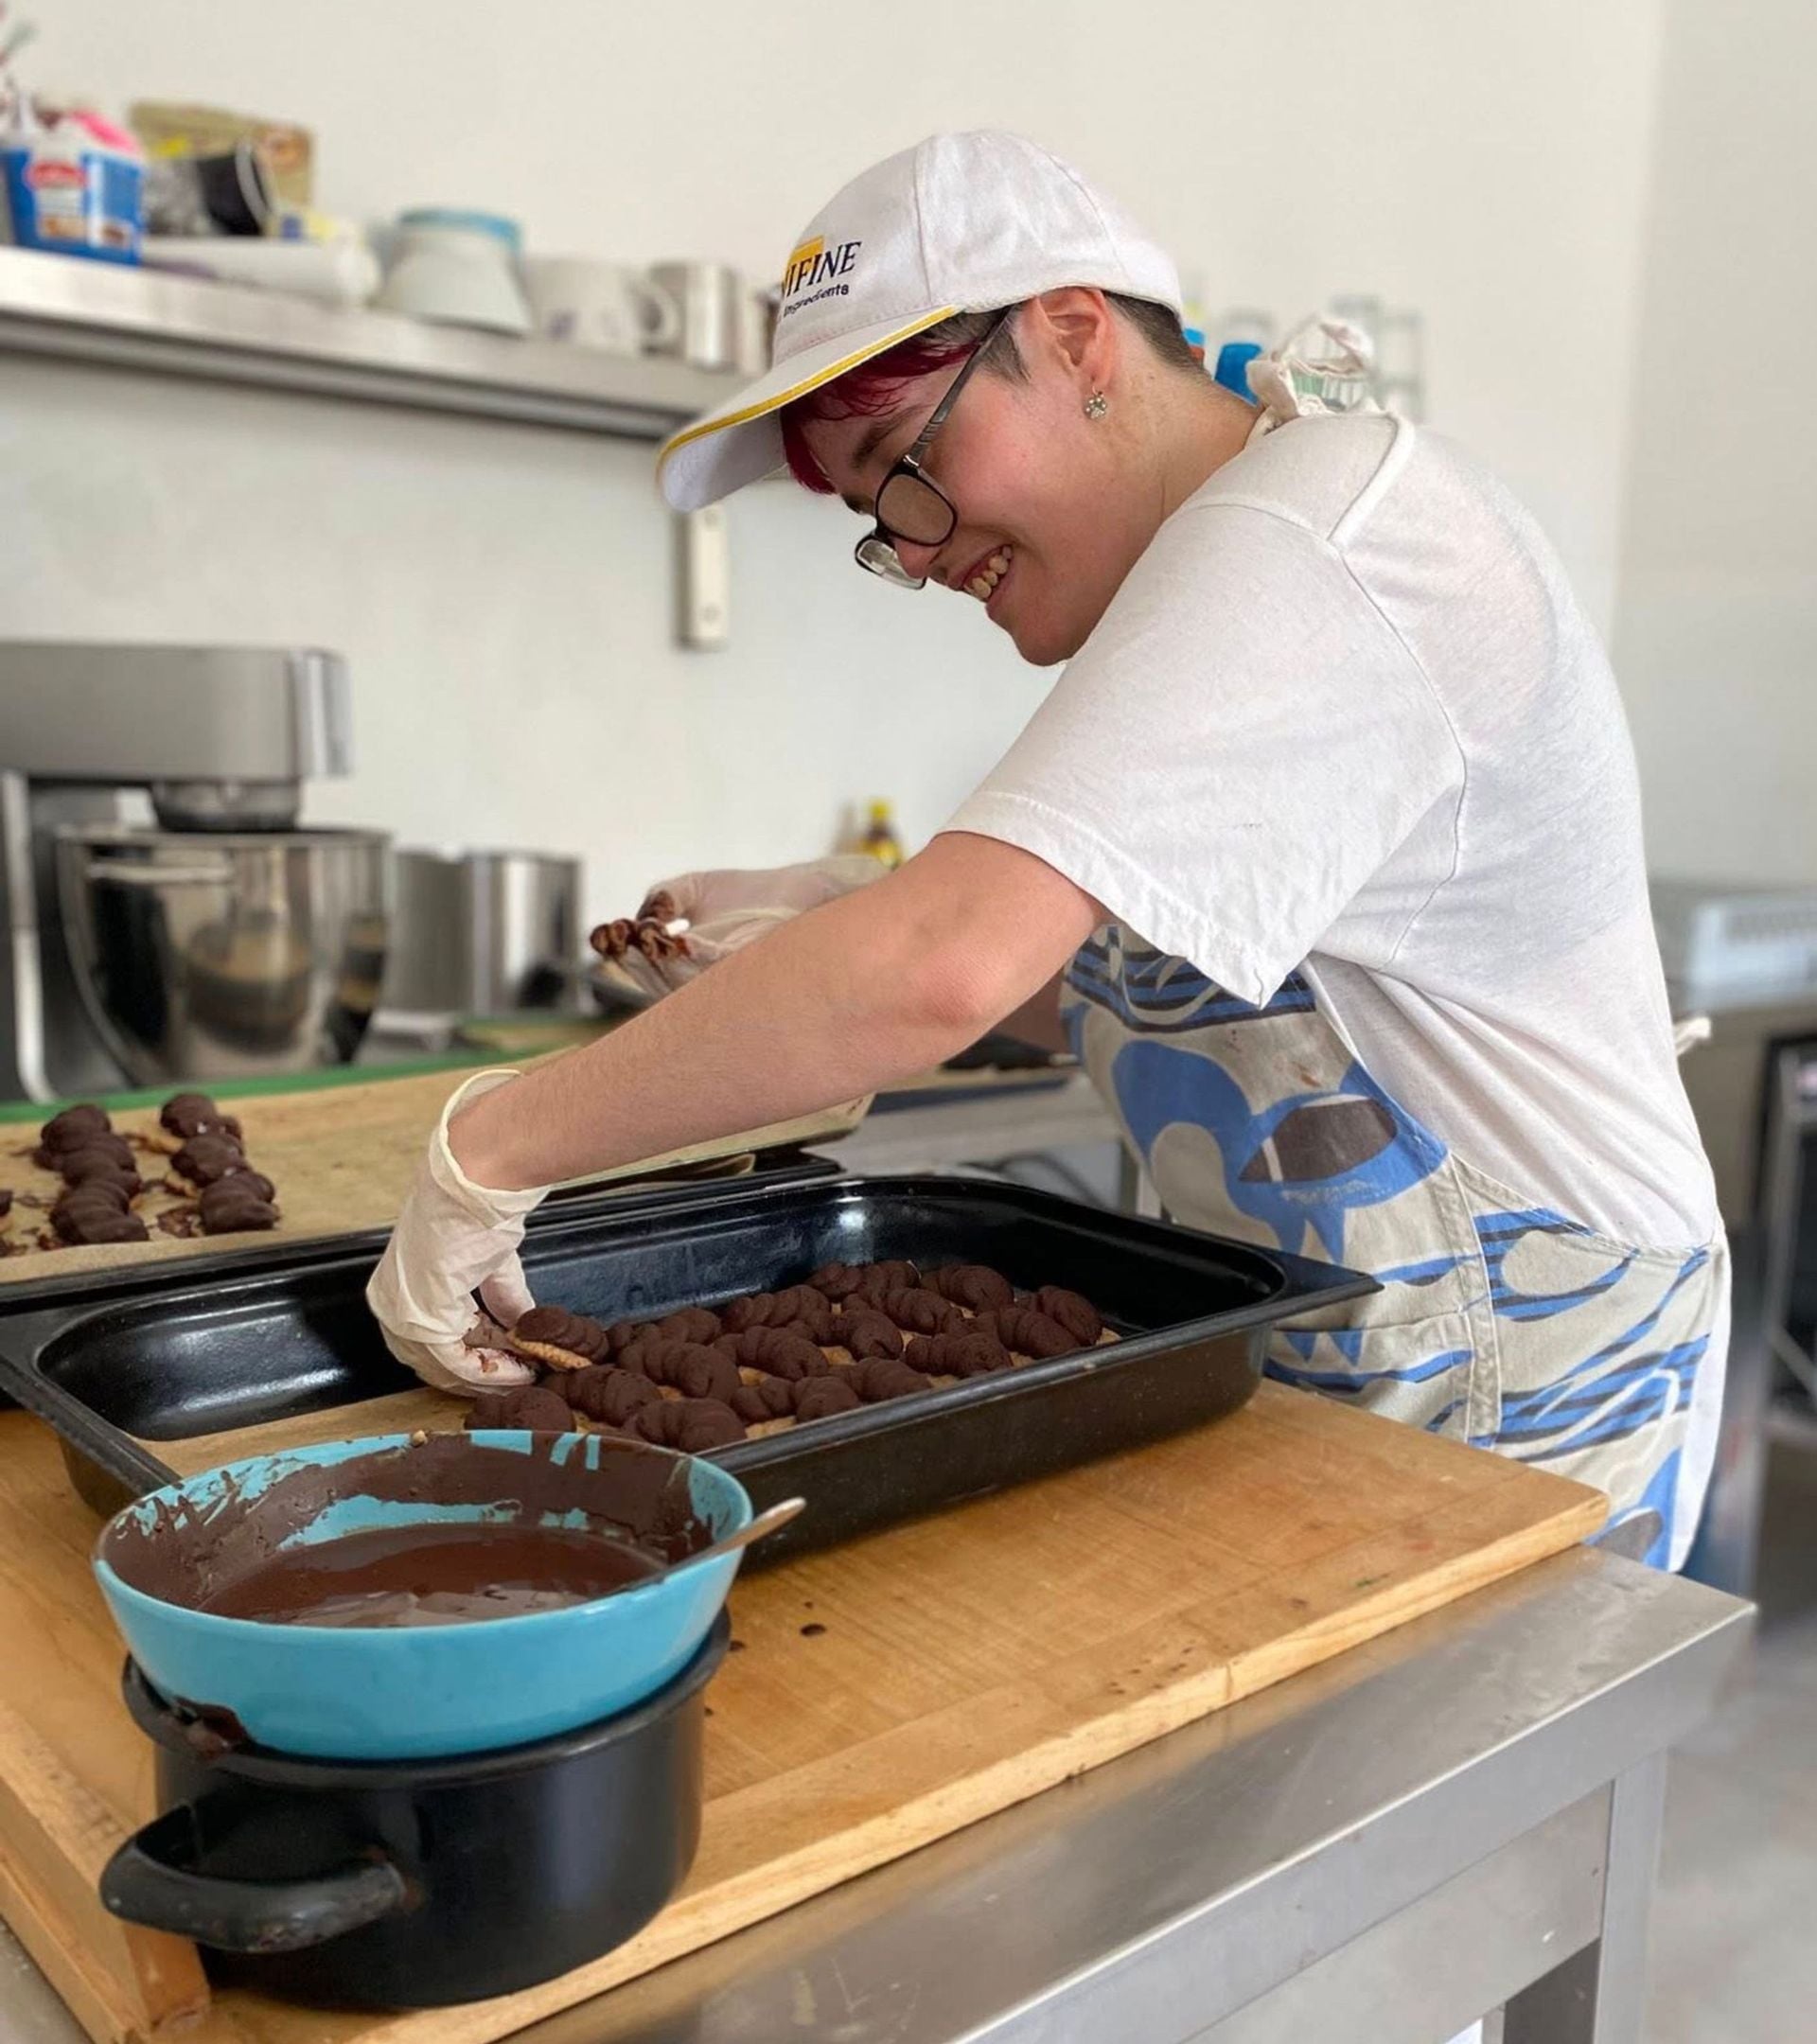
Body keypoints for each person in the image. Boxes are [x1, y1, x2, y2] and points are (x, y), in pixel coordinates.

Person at [370, 130, 1727, 1572]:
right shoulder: (1243, 553)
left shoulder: (1318, 531)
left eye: (909, 465)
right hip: (1356, 1360)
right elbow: (1126, 979)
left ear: (1076, 336)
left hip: (1532, 1381)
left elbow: (945, 971)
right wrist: (829, 916)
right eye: (874, 519)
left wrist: (489, 1153)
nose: (920, 551)